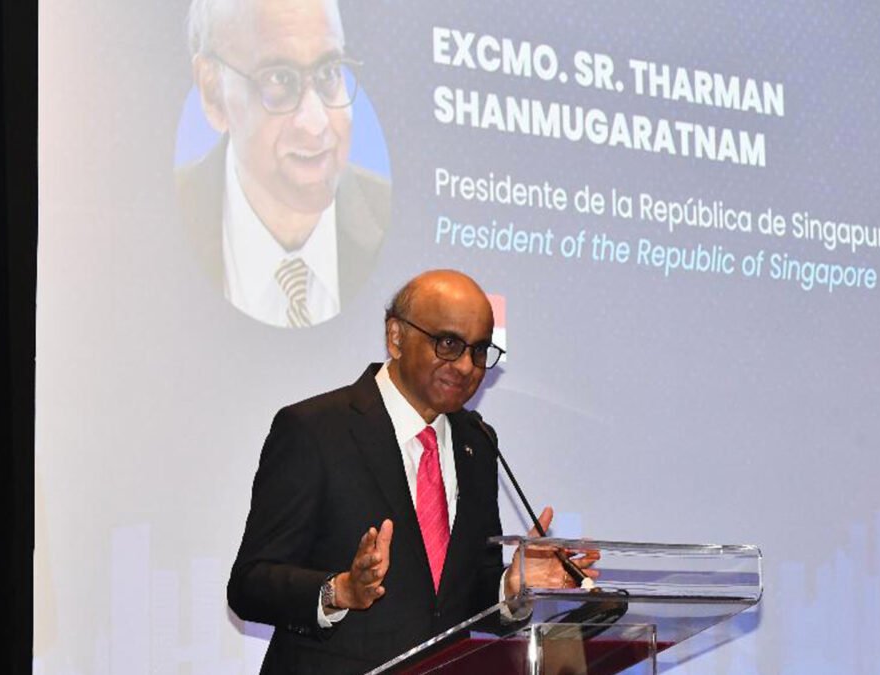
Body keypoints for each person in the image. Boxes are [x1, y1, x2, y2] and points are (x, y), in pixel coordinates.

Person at [228, 270, 597, 673]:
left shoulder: (477, 442)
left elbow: (457, 599)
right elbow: (250, 584)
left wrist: (510, 586)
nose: (466, 366)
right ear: (396, 337)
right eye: (449, 344)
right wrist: (340, 590)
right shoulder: (316, 429)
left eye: (478, 350)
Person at [178, 0, 390, 327]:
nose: (315, 123)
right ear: (213, 91)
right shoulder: (155, 222)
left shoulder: (391, 218)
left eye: (329, 73)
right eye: (279, 79)